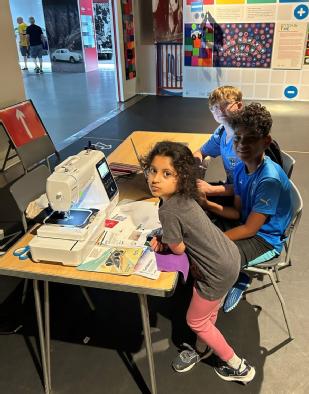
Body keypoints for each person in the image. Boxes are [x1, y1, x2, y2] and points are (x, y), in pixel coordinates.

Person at [142, 141, 256, 384]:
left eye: (166, 173)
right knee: (208, 312)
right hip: (229, 258)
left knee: (194, 320)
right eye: (152, 170)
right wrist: (168, 237)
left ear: (180, 176)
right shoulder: (185, 196)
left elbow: (179, 248)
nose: (155, 179)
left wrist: (164, 242)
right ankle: (204, 346)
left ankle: (238, 366)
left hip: (215, 272)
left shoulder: (168, 210)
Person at [203, 103, 293, 312]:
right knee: (205, 224)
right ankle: (235, 270)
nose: (242, 145)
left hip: (265, 239)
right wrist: (206, 203)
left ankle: (239, 277)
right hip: (247, 221)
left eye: (250, 139)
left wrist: (212, 241)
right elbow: (236, 212)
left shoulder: (268, 179)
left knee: (215, 258)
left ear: (266, 141)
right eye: (237, 138)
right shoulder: (242, 166)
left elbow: (249, 230)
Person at [193, 86, 243, 199]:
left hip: (245, 197)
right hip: (232, 188)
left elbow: (248, 185)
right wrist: (193, 165)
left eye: (225, 104)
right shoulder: (221, 131)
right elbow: (201, 152)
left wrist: (211, 189)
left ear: (239, 105)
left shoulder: (246, 140)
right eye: (215, 107)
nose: (220, 110)